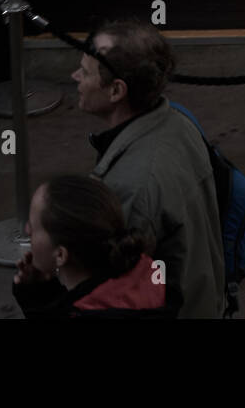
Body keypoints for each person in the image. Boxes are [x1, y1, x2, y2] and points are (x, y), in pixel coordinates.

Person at [75, 17, 226, 318]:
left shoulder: (132, 187)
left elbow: (110, 291)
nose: (74, 76)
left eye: (85, 72)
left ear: (116, 91)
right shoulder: (178, 123)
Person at [12, 174, 179, 318]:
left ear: (60, 255)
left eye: (34, 226)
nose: (27, 229)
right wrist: (39, 293)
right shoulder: (144, 275)